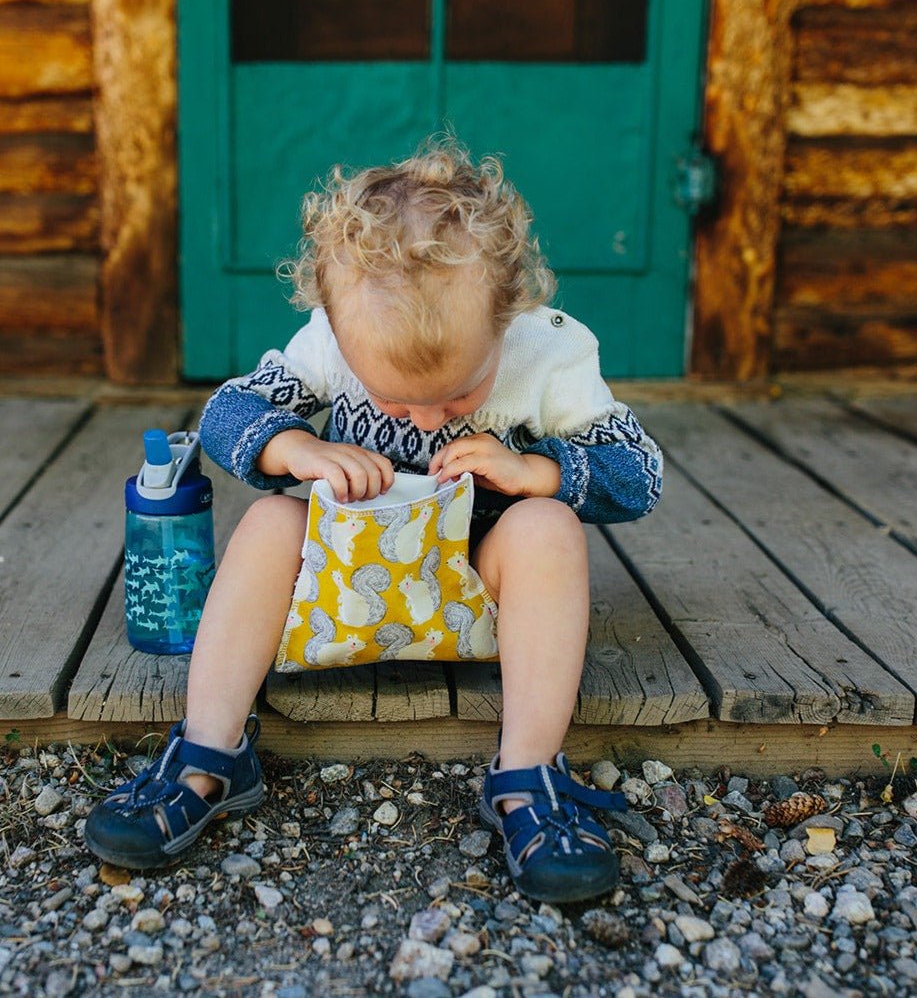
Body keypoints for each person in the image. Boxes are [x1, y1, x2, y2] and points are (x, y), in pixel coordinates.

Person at [85, 136, 663, 903]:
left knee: (546, 528)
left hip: (476, 594)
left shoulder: (547, 351)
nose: (427, 418)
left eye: (457, 399)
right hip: (341, 589)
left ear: (507, 317)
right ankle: (209, 753)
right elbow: (228, 412)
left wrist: (539, 471)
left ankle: (526, 775)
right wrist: (296, 448)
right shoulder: (329, 340)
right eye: (392, 401)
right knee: (267, 523)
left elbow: (641, 473)